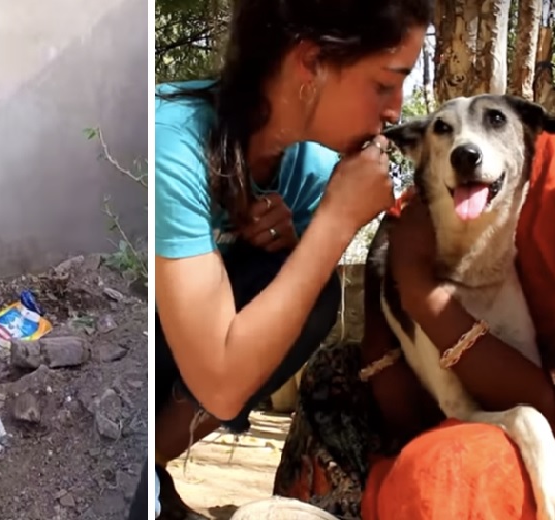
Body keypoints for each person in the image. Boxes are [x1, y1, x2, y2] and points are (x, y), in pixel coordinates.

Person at [273, 27, 555, 519]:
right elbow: (406, 220)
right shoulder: (530, 156)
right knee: (332, 377)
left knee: (452, 470)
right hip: (474, 390)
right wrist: (380, 358)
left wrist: (425, 295)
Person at [148, 0, 433, 517]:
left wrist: (307, 240)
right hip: (131, 361)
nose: (394, 112)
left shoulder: (311, 172)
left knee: (313, 294)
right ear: (311, 63)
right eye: (385, 83)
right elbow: (220, 381)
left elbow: (255, 349)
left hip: (179, 376)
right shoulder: (172, 143)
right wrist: (333, 225)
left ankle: (152, 463)